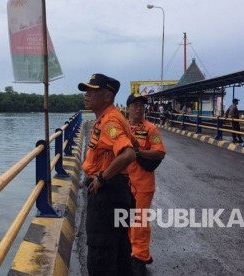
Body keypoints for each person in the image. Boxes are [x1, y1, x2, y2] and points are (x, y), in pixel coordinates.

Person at [79, 73, 136, 276]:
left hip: (108, 196)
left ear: (107, 96)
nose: (86, 94)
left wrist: (102, 178)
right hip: (118, 192)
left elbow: (128, 153)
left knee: (100, 254)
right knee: (119, 250)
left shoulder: (110, 121)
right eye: (86, 91)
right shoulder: (107, 119)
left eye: (92, 91)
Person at [126, 93, 166, 276]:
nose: (139, 108)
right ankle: (132, 253)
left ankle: (140, 258)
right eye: (134, 105)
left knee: (140, 223)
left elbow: (159, 153)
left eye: (141, 105)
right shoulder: (121, 129)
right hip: (123, 183)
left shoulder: (151, 130)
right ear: (127, 109)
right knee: (124, 221)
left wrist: (139, 151)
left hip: (143, 184)